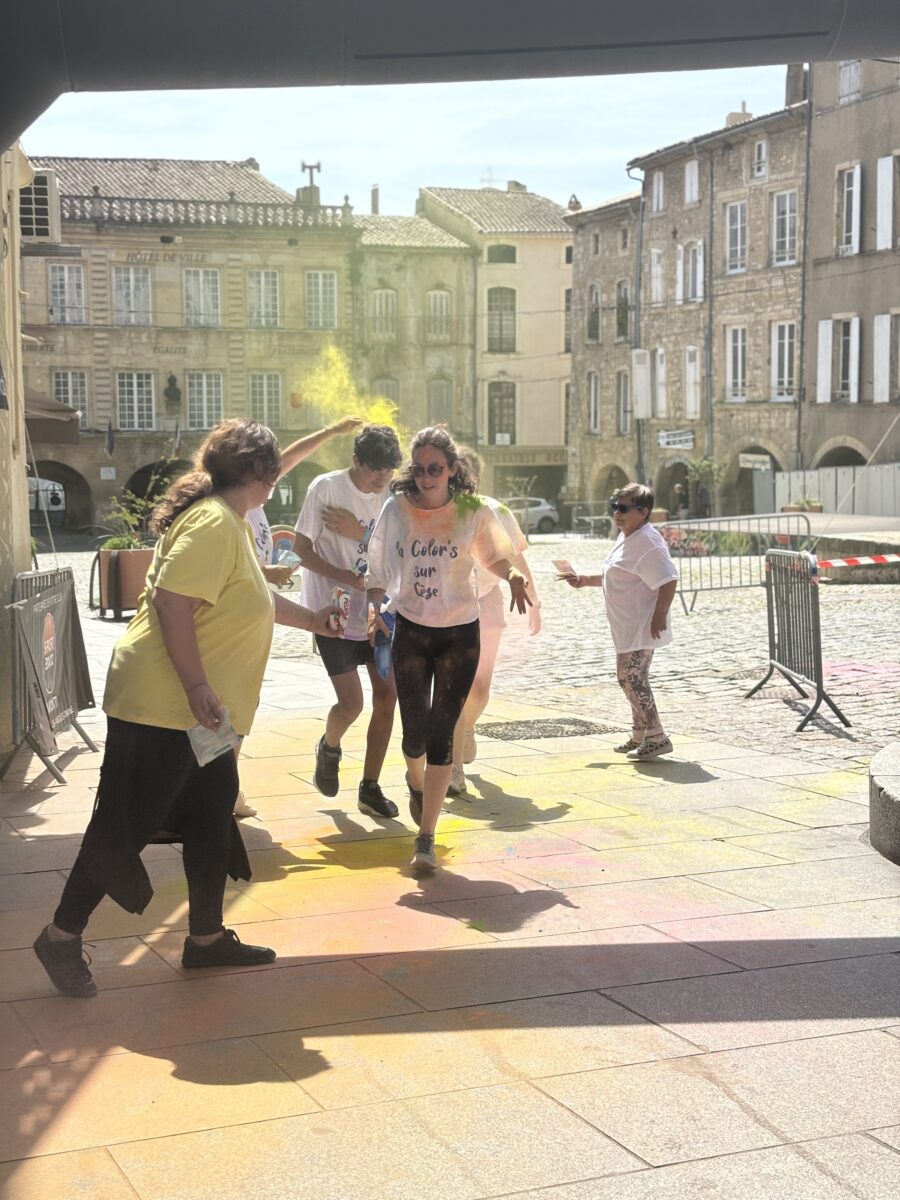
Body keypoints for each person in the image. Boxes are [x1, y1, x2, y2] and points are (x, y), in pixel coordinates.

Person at [33, 419, 340, 998]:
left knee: (210, 815)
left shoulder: (229, 522)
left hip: (198, 715)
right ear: (263, 474)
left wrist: (312, 619)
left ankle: (205, 939)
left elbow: (251, 596)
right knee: (123, 827)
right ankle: (60, 935)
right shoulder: (213, 523)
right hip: (165, 705)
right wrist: (197, 684)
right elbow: (173, 603)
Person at [366, 426, 531, 874]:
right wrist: (374, 602)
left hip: (460, 633)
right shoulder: (396, 510)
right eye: (418, 470)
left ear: (452, 469)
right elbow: (378, 563)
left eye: (434, 469)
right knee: (414, 737)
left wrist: (513, 575)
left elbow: (493, 556)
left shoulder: (473, 511)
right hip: (413, 632)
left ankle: (426, 837)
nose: (425, 477)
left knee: (442, 736)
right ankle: (417, 784)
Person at [236, 414, 363, 818]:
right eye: (270, 473)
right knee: (228, 707)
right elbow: (232, 577)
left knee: (244, 704)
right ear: (250, 470)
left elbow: (288, 458)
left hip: (253, 619)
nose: (277, 479)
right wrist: (266, 576)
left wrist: (328, 431)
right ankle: (217, 790)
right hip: (232, 625)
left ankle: (226, 785)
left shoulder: (253, 500)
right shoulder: (227, 510)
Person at [293, 424, 404, 819]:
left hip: (379, 609)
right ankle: (330, 746)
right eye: (375, 470)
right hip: (332, 613)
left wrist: (359, 532)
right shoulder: (326, 488)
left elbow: (396, 549)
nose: (382, 479)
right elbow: (300, 549)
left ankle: (370, 787)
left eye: (388, 472)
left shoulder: (392, 495)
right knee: (351, 703)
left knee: (388, 696)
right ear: (356, 461)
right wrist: (347, 578)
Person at [560, 482, 678, 761]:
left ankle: (657, 736)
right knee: (631, 679)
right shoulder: (628, 536)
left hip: (642, 624)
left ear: (644, 511)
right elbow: (618, 573)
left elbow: (669, 579)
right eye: (615, 507)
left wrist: (660, 614)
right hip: (627, 626)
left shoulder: (648, 541)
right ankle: (640, 733)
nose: (617, 514)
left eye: (624, 509)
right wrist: (584, 580)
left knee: (631, 678)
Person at [448, 447, 541, 796]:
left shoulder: (494, 511)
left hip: (488, 602)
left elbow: (514, 555)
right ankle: (453, 768)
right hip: (453, 605)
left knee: (480, 687)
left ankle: (467, 727)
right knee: (454, 687)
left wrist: (535, 601)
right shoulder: (439, 511)